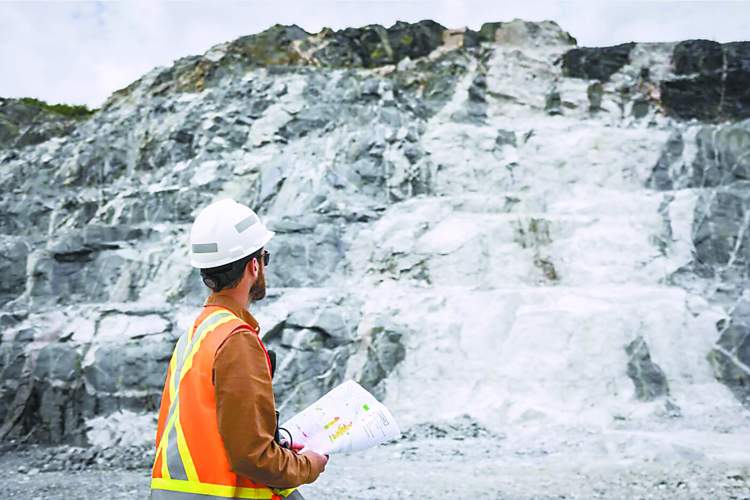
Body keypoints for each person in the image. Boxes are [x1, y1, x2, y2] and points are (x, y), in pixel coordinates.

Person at [150, 198, 328, 500]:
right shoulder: (236, 340)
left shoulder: (197, 333)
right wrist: (307, 465)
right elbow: (252, 456)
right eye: (264, 257)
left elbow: (214, 434)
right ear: (254, 265)